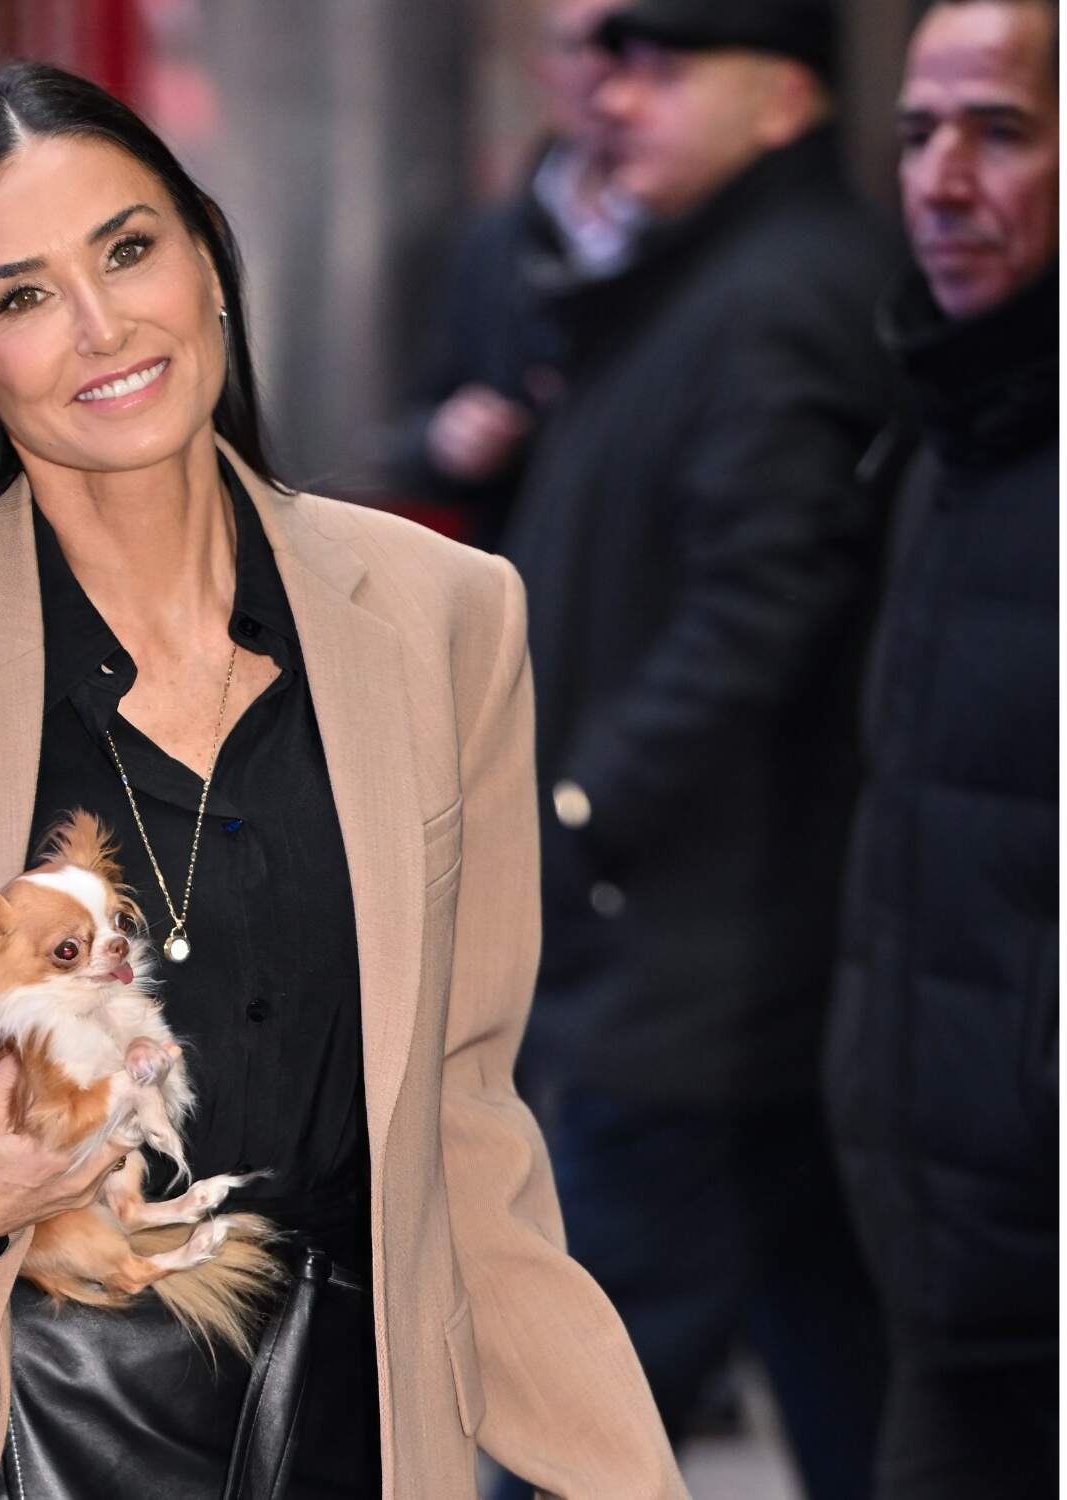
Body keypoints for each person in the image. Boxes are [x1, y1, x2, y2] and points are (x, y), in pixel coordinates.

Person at [0, 62, 683, 1498]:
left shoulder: (447, 618)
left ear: (207, 256)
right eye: (20, 297)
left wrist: (613, 1465)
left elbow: (464, 1120)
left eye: (130, 249)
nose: (101, 326)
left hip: (330, 1424)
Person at [487, 2, 898, 1493]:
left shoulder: (777, 292)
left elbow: (760, 607)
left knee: (573, 1405)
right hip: (716, 959)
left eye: (664, 70)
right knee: (846, 1376)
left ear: (781, 98)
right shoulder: (696, 279)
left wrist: (583, 807)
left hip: (702, 966)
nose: (614, 97)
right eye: (607, 63)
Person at [829, 2, 1059, 1494]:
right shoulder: (946, 424)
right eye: (917, 134)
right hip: (933, 1244)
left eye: (1001, 131)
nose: (942, 180)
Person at [383, 0, 638, 550]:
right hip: (527, 569)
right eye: (574, 47)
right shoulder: (492, 242)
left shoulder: (691, 235)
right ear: (543, 70)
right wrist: (449, 438)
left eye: (618, 44)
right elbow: (410, 433)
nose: (598, 70)